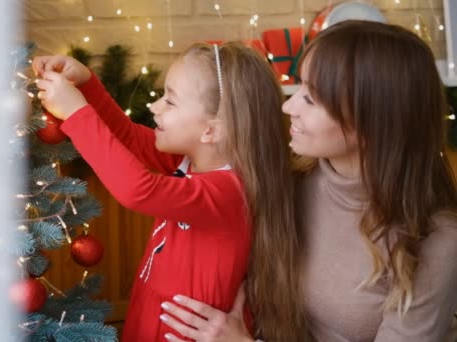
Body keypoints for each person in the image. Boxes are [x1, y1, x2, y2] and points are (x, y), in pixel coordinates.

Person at [159, 20, 457, 341]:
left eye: (311, 99)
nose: (289, 107)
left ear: (372, 122)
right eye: (299, 88)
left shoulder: (434, 241)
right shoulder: (292, 181)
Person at [31, 42, 300, 340]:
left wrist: (76, 113)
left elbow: (137, 190)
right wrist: (87, 85)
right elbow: (128, 137)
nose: (154, 106)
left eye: (170, 101)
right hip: (151, 316)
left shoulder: (230, 191)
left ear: (211, 130)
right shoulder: (190, 158)